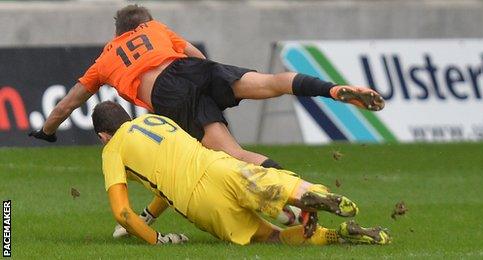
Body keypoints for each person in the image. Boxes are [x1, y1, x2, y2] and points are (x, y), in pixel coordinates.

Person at [28, 4, 385, 168]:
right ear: (144, 23)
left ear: (116, 32)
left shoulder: (105, 59)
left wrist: (47, 131)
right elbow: (195, 54)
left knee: (235, 156)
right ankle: (333, 89)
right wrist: (211, 83)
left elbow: (66, 105)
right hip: (195, 70)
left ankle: (299, 190)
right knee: (272, 82)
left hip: (169, 94)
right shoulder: (157, 29)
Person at [91, 101, 390, 245]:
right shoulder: (154, 120)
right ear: (127, 117)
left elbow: (122, 214)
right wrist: (151, 214)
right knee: (281, 185)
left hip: (199, 201)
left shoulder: (113, 149)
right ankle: (311, 197)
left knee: (272, 237)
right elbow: (169, 174)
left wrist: (157, 238)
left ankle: (334, 237)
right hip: (219, 166)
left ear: (104, 135)